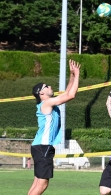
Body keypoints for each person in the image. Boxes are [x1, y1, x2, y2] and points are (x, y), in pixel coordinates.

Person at [28, 59, 81, 195]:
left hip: (40, 147)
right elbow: (71, 95)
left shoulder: (49, 103)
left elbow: (66, 93)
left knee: (37, 183)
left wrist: (72, 75)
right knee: (42, 184)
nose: (50, 86)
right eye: (46, 86)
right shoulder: (46, 103)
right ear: (41, 93)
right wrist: (78, 73)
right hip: (43, 147)